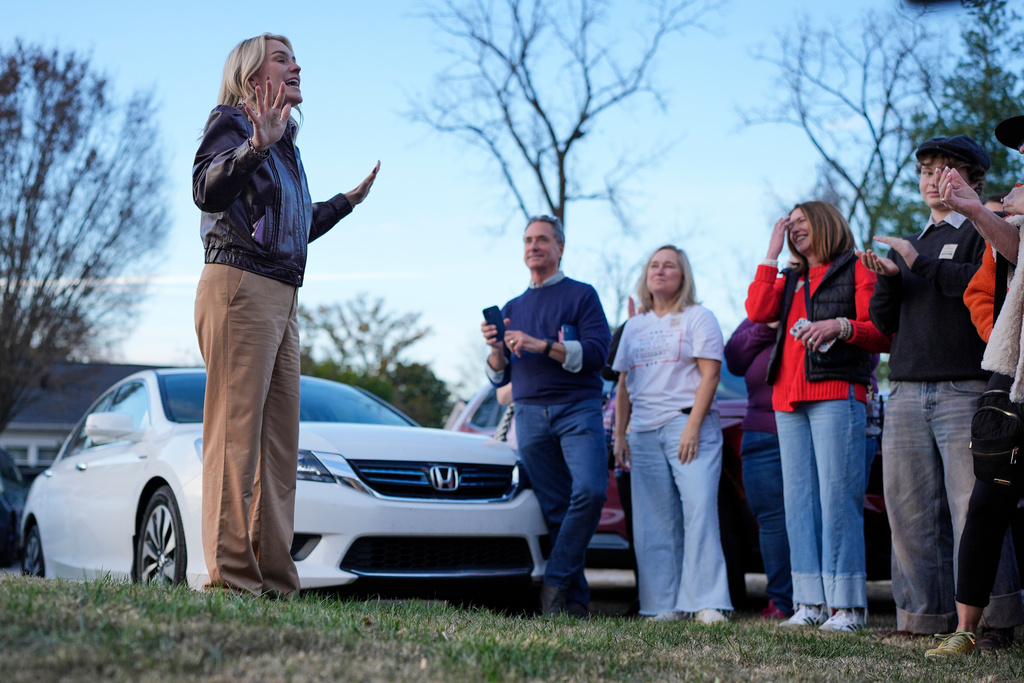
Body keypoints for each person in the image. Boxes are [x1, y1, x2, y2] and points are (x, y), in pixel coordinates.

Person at [192, 33, 379, 596]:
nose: (296, 65)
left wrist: (345, 202)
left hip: (283, 296)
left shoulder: (287, 146)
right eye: (282, 58)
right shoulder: (231, 122)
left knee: (279, 445)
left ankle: (274, 579)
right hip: (239, 287)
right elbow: (206, 189)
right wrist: (253, 144)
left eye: (295, 58)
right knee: (235, 440)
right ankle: (231, 578)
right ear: (253, 77)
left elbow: (291, 229)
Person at [859, 135, 1022, 646]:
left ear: (973, 180)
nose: (933, 179)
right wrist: (889, 277)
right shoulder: (915, 239)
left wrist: (918, 263)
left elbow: (983, 289)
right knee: (908, 512)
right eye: (926, 170)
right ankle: (920, 621)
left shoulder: (985, 229)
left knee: (974, 508)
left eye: (946, 169)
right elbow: (885, 326)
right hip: (904, 388)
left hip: (965, 386)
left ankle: (993, 624)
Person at [746, 201, 890, 632]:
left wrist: (840, 326)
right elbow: (757, 311)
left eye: (802, 221)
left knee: (837, 500)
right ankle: (808, 602)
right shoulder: (790, 277)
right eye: (790, 225)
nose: (795, 228)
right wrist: (771, 253)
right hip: (786, 399)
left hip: (835, 392)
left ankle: (846, 607)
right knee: (799, 503)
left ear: (825, 223)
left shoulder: (857, 268)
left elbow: (880, 332)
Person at [919, 117, 1024, 657]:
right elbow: (1000, 268)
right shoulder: (1013, 203)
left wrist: (981, 212)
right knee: (988, 503)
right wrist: (1004, 342)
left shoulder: (1006, 207)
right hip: (1012, 376)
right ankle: (965, 630)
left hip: (975, 381)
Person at [481, 215, 611, 617]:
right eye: (527, 240)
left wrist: (541, 345)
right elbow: (499, 376)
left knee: (590, 491)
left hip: (578, 410)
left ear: (560, 248)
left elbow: (597, 356)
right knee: (556, 511)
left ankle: (553, 582)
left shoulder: (582, 295)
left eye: (542, 239)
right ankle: (573, 604)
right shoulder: (512, 308)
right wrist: (496, 349)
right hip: (531, 415)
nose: (533, 246)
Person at [611, 245, 732, 624]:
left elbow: (710, 375)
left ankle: (708, 603)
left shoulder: (698, 317)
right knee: (653, 521)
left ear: (683, 276)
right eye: (654, 265)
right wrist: (620, 436)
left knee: (698, 511)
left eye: (669, 266)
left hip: (687, 425)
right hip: (643, 432)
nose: (660, 271)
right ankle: (661, 606)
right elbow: (623, 385)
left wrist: (693, 427)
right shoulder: (634, 325)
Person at [724, 317, 792, 620]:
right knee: (770, 518)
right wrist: (767, 326)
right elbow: (734, 358)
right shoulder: (762, 312)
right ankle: (781, 600)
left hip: (808, 421)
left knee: (815, 513)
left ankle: (822, 600)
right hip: (759, 428)